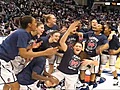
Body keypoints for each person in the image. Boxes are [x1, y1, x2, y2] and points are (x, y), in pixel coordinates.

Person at [0, 15, 58, 90]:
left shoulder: (24, 34)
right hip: (2, 60)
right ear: (29, 25)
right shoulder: (22, 33)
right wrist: (45, 52)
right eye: (35, 22)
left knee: (8, 83)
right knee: (15, 86)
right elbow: (23, 53)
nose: (36, 24)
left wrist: (31, 47)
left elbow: (19, 49)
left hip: (7, 60)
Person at [48, 21, 98, 90]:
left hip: (72, 75)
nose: (78, 48)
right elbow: (61, 42)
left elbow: (96, 63)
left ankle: (64, 84)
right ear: (73, 47)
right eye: (76, 46)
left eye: (79, 47)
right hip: (60, 72)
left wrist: (90, 62)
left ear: (81, 48)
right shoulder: (69, 50)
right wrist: (69, 29)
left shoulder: (83, 54)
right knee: (49, 82)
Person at [79, 23, 109, 90]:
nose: (95, 26)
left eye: (98, 26)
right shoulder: (90, 33)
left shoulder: (103, 37)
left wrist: (101, 48)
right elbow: (81, 35)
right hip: (86, 54)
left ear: (101, 29)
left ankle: (91, 84)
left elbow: (107, 45)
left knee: (93, 71)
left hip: (94, 56)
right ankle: (82, 83)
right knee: (82, 70)